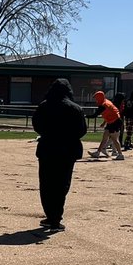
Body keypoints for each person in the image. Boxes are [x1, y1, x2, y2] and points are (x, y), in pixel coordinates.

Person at [32, 78, 88, 233]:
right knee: (62, 184)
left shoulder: (43, 106)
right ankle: (55, 218)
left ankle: (51, 215)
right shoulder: (75, 109)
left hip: (47, 149)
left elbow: (37, 126)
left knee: (46, 183)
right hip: (67, 151)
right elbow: (82, 130)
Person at [88, 90, 125, 160]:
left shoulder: (103, 105)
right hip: (111, 122)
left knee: (114, 139)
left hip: (115, 122)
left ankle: (120, 154)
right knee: (105, 137)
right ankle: (98, 152)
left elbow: (94, 115)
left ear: (99, 98)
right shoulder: (105, 102)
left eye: (96, 98)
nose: (95, 100)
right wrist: (104, 123)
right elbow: (109, 113)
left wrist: (84, 116)